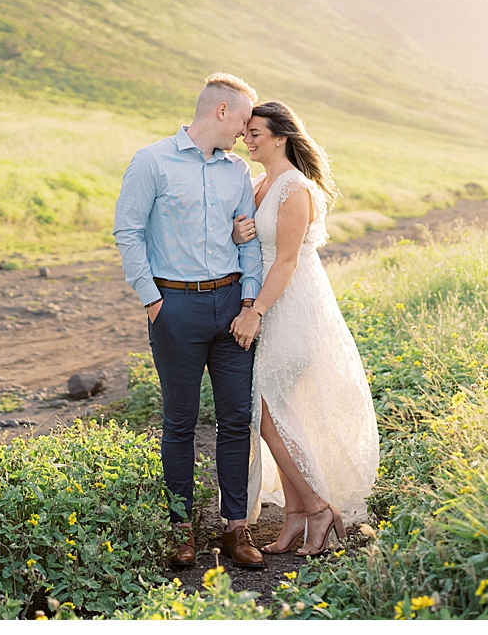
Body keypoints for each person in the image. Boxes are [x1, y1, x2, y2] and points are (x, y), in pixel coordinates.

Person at [113, 72, 266, 571]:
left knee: (236, 420)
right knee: (179, 422)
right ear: (221, 111)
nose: (246, 131)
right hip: (174, 308)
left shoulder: (237, 172)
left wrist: (248, 303)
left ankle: (235, 529)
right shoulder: (151, 161)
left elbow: (249, 244)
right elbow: (128, 232)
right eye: (244, 119)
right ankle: (182, 530)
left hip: (230, 307)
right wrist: (153, 300)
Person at [229, 101, 380, 556]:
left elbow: (288, 259)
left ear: (281, 136)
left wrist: (254, 311)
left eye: (256, 132)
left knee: (269, 414)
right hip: (269, 304)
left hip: (292, 309)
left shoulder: (295, 188)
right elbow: (253, 247)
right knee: (271, 413)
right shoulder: (260, 184)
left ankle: (317, 508)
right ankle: (297, 514)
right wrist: (239, 236)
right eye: (246, 132)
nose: (248, 139)